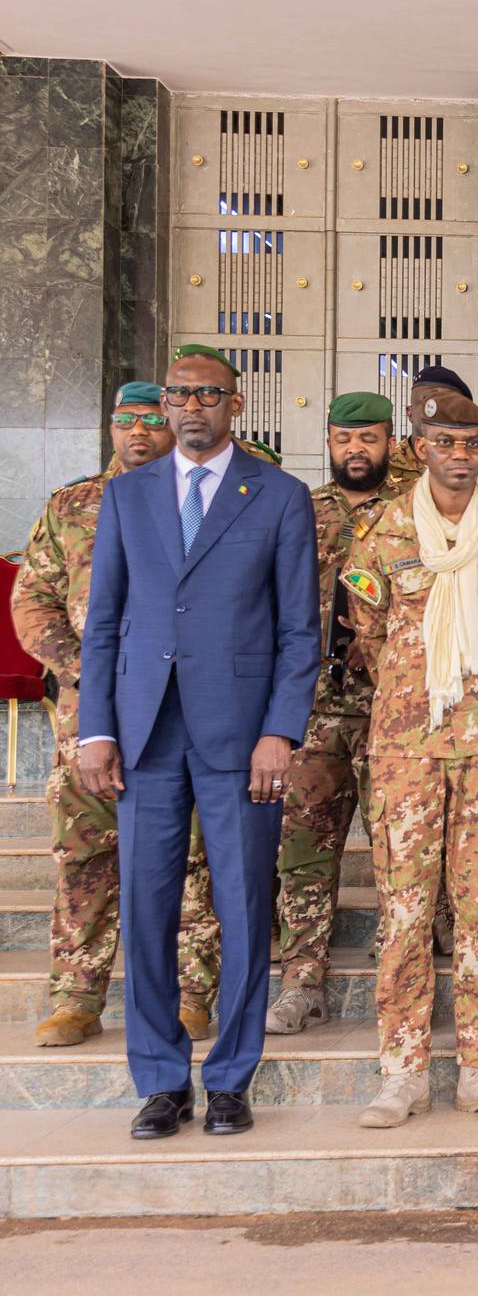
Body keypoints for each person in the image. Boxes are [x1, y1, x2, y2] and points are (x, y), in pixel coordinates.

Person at [76, 344, 320, 1139]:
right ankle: (158, 1079)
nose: (189, 408)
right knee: (147, 909)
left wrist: (281, 731)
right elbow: (105, 621)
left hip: (241, 736)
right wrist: (98, 728)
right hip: (145, 733)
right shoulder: (128, 496)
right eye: (178, 394)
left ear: (236, 405)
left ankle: (228, 1080)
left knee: (246, 906)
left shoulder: (278, 496)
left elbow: (296, 629)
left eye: (207, 395)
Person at [344, 391, 478, 1129]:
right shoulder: (381, 529)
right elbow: (368, 631)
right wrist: (417, 689)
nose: (459, 455)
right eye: (444, 442)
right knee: (401, 912)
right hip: (405, 747)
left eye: (470, 443)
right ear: (419, 446)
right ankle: (401, 1072)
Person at [12, 383, 220, 1049]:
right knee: (86, 854)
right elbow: (34, 600)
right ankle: (76, 996)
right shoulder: (71, 506)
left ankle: (192, 993)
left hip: (177, 710)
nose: (138, 434)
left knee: (192, 856)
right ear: (110, 427)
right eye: (125, 422)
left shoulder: (199, 501)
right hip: (91, 715)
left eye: (150, 422)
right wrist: (92, 673)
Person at [265, 392, 398, 1035]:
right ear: (327, 440)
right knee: (304, 851)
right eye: (346, 438)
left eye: (369, 438)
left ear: (390, 443)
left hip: (389, 708)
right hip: (311, 708)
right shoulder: (298, 509)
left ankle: (396, 980)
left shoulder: (412, 510)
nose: (356, 450)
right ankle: (302, 981)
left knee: (397, 848)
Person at [384, 363, 477, 490]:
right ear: (410, 413)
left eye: (448, 404)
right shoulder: (381, 470)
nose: (437, 410)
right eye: (428, 402)